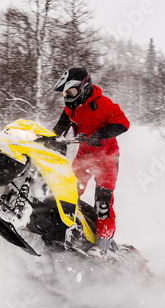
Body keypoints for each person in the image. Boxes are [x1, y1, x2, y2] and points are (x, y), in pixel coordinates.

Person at [52, 67, 130, 259]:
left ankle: (102, 245)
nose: (68, 97)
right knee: (68, 192)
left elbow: (123, 124)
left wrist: (100, 135)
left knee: (102, 204)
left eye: (71, 92)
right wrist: (50, 138)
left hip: (107, 160)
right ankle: (68, 226)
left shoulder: (103, 105)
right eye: (65, 93)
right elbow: (60, 127)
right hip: (84, 158)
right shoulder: (70, 107)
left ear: (84, 87)